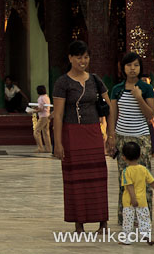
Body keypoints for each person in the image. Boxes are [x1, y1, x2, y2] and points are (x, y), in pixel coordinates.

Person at [52, 40, 113, 233]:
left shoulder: (95, 80)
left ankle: (102, 222)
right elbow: (59, 115)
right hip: (72, 133)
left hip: (93, 133)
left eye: (86, 57)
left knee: (98, 177)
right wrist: (58, 144)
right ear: (70, 58)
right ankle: (79, 223)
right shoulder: (62, 83)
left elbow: (109, 107)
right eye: (79, 57)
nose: (83, 61)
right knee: (75, 179)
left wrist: (111, 135)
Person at [109, 52, 154, 226]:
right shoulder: (117, 89)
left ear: (140, 68)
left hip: (141, 137)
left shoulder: (146, 89)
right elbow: (113, 113)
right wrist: (111, 136)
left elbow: (150, 114)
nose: (132, 69)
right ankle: (125, 217)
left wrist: (138, 97)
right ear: (123, 68)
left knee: (143, 178)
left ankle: (143, 217)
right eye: (129, 65)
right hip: (122, 137)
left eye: (136, 65)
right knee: (125, 179)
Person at [119, 141, 154, 245]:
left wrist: (133, 199)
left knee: (127, 221)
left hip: (129, 201)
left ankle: (127, 239)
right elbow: (152, 182)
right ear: (140, 155)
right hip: (142, 201)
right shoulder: (144, 169)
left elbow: (129, 186)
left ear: (124, 157)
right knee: (144, 219)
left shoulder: (126, 171)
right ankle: (146, 235)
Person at [141, 75, 154, 154]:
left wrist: (150, 115)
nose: (144, 82)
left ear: (149, 80)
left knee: (150, 132)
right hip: (141, 115)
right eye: (142, 80)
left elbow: (153, 104)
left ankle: (152, 150)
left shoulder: (151, 90)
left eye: (145, 80)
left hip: (148, 115)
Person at [33, 85, 52, 153]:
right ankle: (48, 148)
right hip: (48, 115)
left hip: (43, 117)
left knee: (36, 131)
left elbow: (40, 109)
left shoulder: (40, 98)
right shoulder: (46, 97)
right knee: (46, 133)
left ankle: (40, 148)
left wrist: (33, 111)